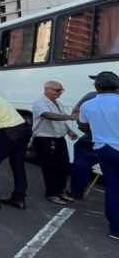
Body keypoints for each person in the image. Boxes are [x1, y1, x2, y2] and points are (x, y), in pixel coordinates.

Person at [77, 71, 119, 240]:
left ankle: (116, 230)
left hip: (104, 149)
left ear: (97, 87)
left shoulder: (88, 105)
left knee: (112, 190)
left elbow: (84, 128)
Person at [31, 81, 79, 205]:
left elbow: (60, 120)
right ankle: (51, 193)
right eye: (57, 90)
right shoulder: (39, 103)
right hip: (44, 139)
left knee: (64, 166)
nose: (59, 93)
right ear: (47, 89)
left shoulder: (59, 104)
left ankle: (61, 190)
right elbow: (48, 115)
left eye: (61, 90)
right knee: (50, 167)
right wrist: (69, 117)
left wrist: (69, 131)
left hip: (58, 138)